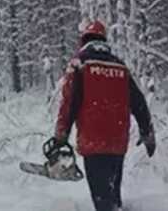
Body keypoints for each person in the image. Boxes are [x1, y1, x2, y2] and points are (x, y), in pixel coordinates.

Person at [54, 20, 156, 211]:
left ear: (84, 40)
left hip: (93, 142)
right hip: (118, 142)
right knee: (112, 197)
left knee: (103, 202)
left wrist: (61, 136)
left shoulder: (80, 64)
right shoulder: (120, 66)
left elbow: (69, 104)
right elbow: (139, 102)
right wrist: (147, 132)